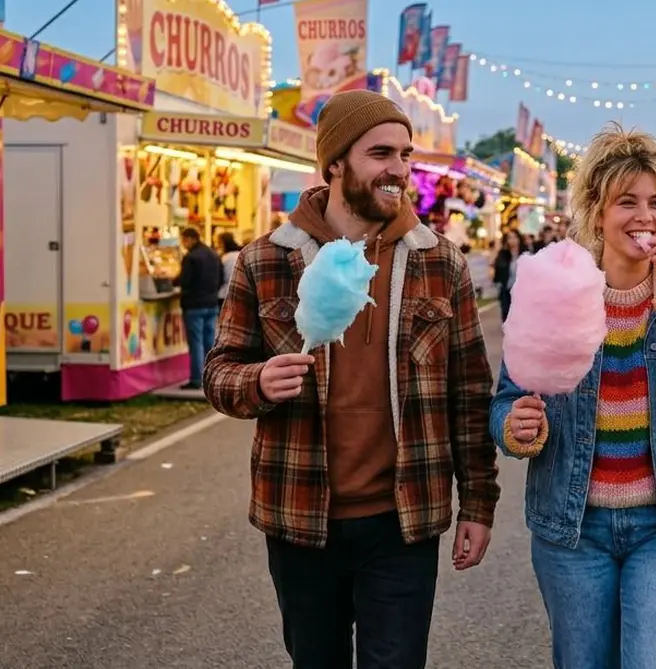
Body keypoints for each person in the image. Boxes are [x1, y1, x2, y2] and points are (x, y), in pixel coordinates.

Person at [202, 89, 500, 669]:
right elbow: (218, 372)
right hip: (301, 514)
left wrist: (479, 504)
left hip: (403, 518)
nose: (399, 169)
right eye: (380, 153)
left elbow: (469, 393)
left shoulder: (439, 261)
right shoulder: (266, 261)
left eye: (406, 154)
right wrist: (257, 382)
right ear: (335, 162)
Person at [490, 124, 656, 669]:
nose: (644, 216)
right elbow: (505, 401)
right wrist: (513, 428)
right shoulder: (554, 290)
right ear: (596, 210)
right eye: (626, 201)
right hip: (573, 527)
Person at [174, 226, 222, 390]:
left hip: (194, 304)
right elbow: (221, 277)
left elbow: (184, 280)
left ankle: (196, 379)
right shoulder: (214, 254)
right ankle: (210, 376)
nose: (183, 244)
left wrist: (173, 283)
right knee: (209, 342)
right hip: (211, 303)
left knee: (196, 343)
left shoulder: (191, 257)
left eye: (184, 240)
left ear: (189, 239)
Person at [492, 229, 526, 321]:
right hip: (507, 291)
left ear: (519, 238)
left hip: (524, 292)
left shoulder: (525, 253)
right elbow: (498, 272)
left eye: (515, 237)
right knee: (508, 317)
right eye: (509, 238)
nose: (512, 240)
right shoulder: (502, 254)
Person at [216, 231, 243, 309]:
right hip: (239, 293)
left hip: (224, 294)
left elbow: (220, 277)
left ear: (223, 243)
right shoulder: (240, 254)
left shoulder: (225, 258)